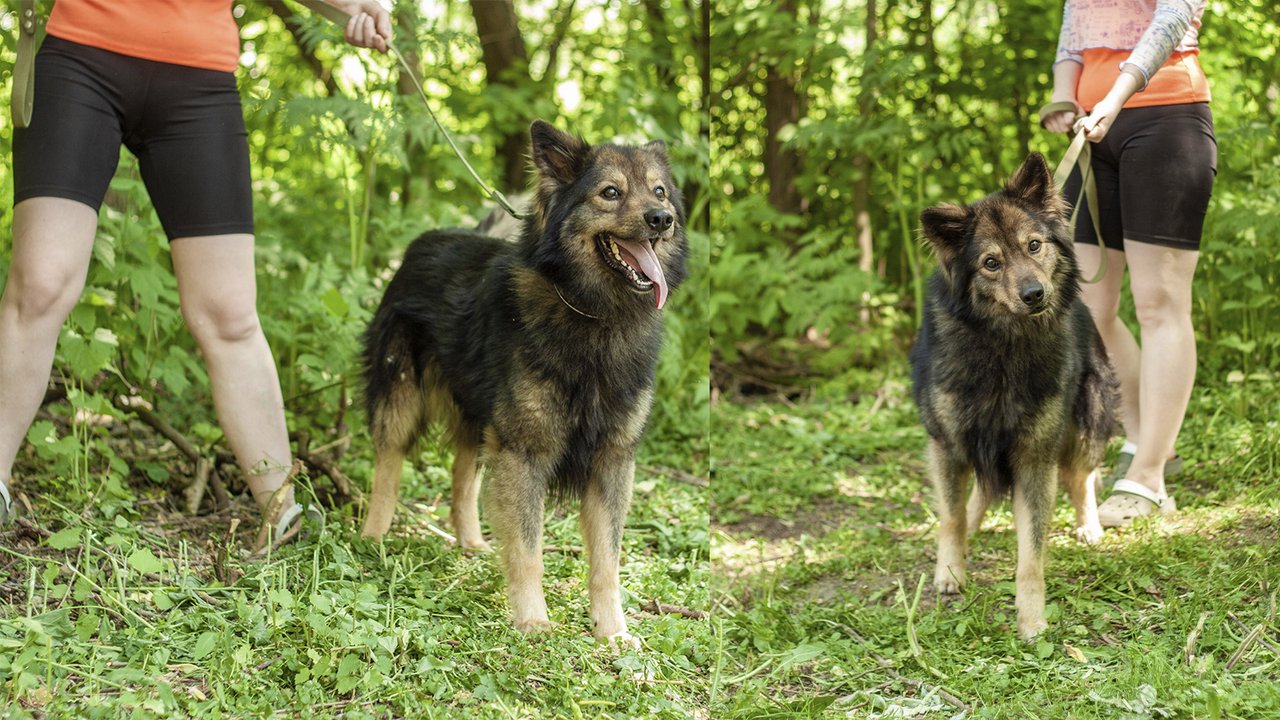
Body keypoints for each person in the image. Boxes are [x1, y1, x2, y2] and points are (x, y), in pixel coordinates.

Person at [0, 1, 393, 536]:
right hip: (80, 58)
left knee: (229, 313)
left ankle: (286, 515)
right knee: (40, 284)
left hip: (199, 80)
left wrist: (359, 4)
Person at [1043, 0, 1213, 527]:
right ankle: (1144, 441)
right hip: (1095, 131)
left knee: (1158, 302)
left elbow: (1170, 22)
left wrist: (1113, 99)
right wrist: (1063, 96)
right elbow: (1074, 36)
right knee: (1090, 306)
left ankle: (1149, 477)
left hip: (1166, 120)